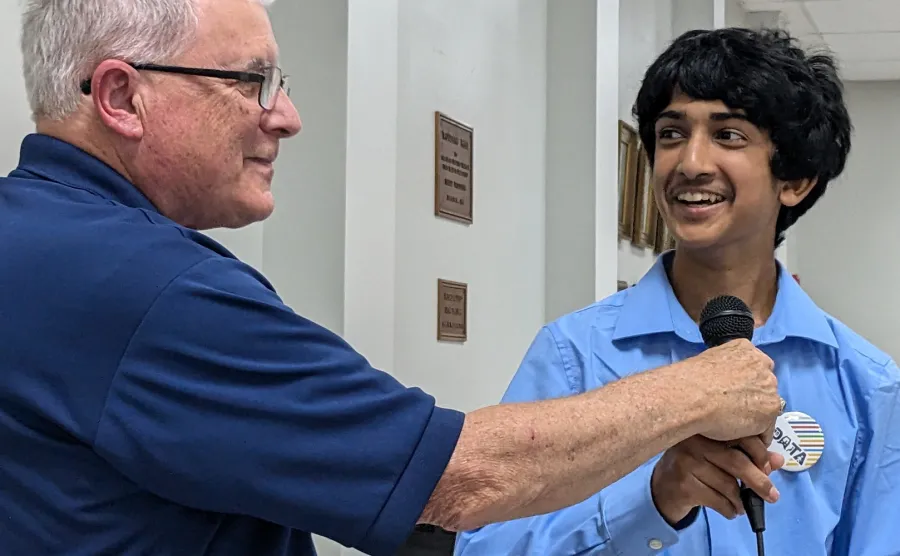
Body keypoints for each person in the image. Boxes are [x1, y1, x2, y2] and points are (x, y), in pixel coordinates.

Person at [0, 3, 784, 555]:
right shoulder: (150, 289)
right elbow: (460, 481)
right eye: (252, 81)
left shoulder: (34, 242)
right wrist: (702, 390)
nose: (287, 115)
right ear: (120, 96)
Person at [454, 26, 900, 556]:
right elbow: (485, 547)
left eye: (728, 134)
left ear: (795, 179)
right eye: (670, 134)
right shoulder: (575, 354)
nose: (690, 163)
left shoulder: (863, 383)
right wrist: (653, 502)